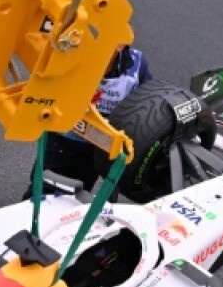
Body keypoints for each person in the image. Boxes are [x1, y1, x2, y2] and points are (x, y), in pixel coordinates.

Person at [28, 43, 151, 195]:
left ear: (120, 45)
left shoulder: (137, 66)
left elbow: (145, 106)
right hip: (60, 138)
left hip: (96, 149)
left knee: (78, 193)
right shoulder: (72, 54)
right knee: (40, 187)